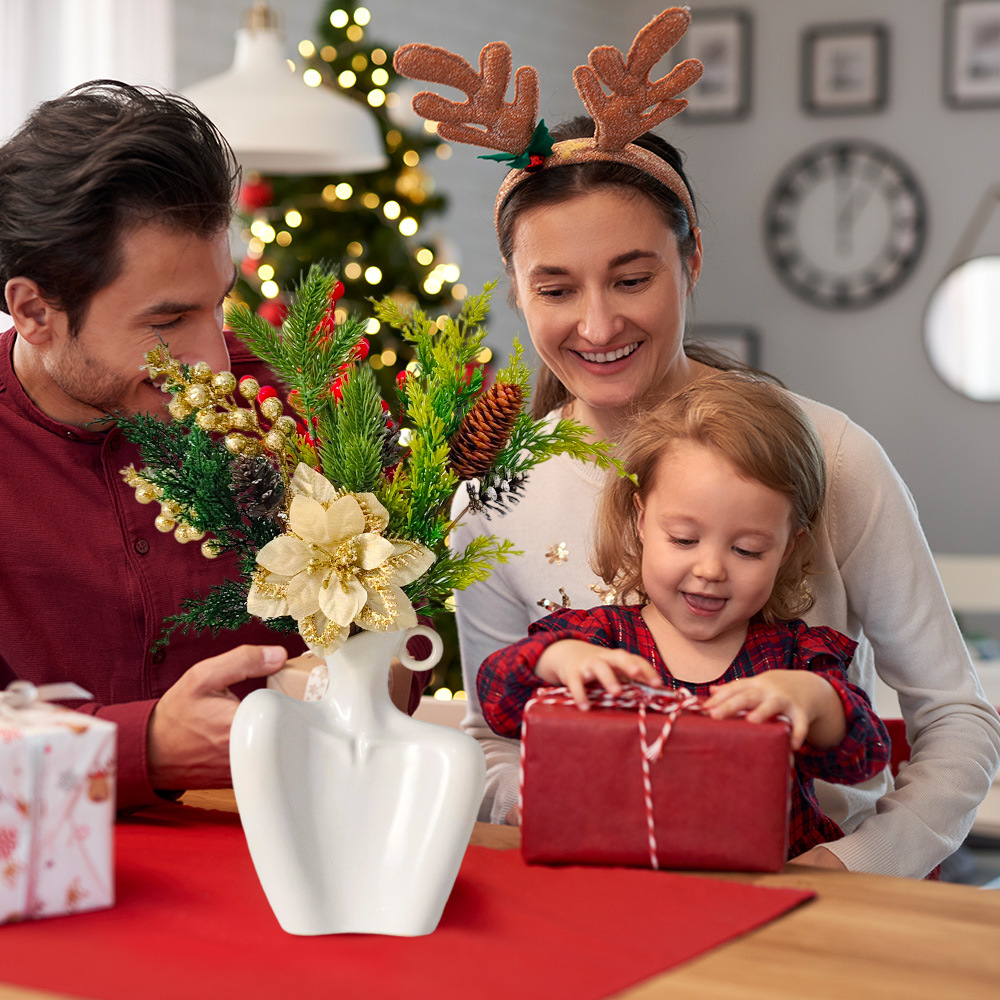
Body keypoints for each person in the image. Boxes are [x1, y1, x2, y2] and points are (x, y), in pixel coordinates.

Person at [409, 13, 1000, 877]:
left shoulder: (830, 458)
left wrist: (857, 869)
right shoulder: (492, 495)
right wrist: (566, 803)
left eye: (632, 277)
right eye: (557, 288)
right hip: (599, 893)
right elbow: (492, 738)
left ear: (689, 264)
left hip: (809, 894)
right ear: (517, 292)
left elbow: (955, 718)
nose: (599, 322)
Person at [0, 80, 427, 811]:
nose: (215, 364)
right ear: (36, 310)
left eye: (218, 304)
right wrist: (144, 747)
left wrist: (370, 667)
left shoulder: (287, 412)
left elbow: (389, 665)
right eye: (167, 322)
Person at [477, 374, 892, 860]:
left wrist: (819, 702)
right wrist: (555, 660)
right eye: (684, 539)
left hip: (760, 893)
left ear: (787, 549)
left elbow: (863, 756)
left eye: (747, 549)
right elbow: (497, 703)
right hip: (616, 880)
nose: (711, 569)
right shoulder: (598, 639)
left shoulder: (795, 657)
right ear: (640, 521)